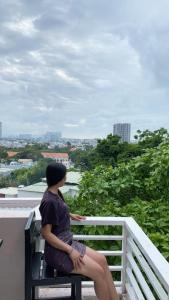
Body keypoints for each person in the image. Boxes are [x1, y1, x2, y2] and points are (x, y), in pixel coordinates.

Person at [39, 162, 119, 300]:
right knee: (98, 273)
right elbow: (46, 233)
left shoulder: (54, 193)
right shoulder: (49, 201)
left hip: (67, 243)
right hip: (58, 252)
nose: (66, 178)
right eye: (64, 175)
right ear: (58, 177)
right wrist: (70, 251)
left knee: (102, 260)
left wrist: (68, 214)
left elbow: (55, 213)